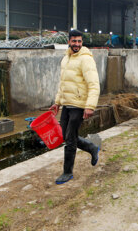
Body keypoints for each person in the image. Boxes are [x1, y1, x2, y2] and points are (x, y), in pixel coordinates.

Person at [49, 29, 101, 185]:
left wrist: (90, 106)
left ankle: (67, 172)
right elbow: (62, 84)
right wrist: (57, 102)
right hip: (67, 104)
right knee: (65, 135)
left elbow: (94, 84)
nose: (77, 44)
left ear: (82, 42)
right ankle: (91, 147)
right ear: (69, 41)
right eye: (74, 41)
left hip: (79, 104)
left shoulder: (86, 59)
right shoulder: (66, 59)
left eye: (79, 41)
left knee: (70, 139)